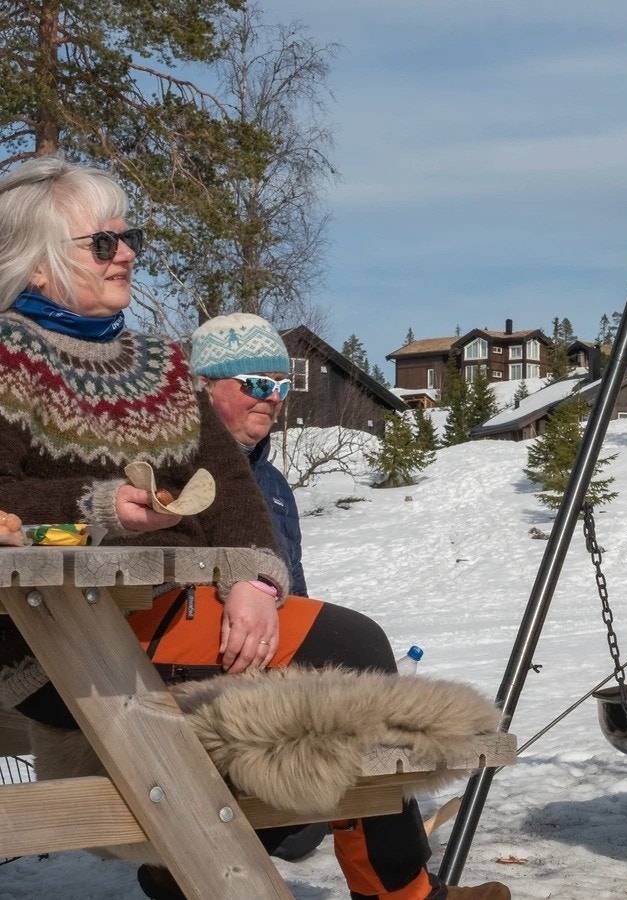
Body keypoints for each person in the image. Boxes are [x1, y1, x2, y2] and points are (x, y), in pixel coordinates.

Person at [0, 157, 509, 900]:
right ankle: (250, 869)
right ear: (38, 264)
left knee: (345, 651)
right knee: (339, 661)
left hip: (169, 616)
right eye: (102, 243)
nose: (128, 254)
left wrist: (250, 581)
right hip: (51, 637)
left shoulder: (159, 366)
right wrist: (105, 507)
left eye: (128, 236)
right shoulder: (7, 360)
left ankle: (345, 880)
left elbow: (231, 487)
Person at [189, 312, 324, 860]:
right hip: (197, 668)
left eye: (282, 385)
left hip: (271, 666)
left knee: (305, 823)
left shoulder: (272, 484)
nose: (273, 398)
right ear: (203, 388)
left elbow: (300, 591)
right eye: (257, 384)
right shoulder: (173, 469)